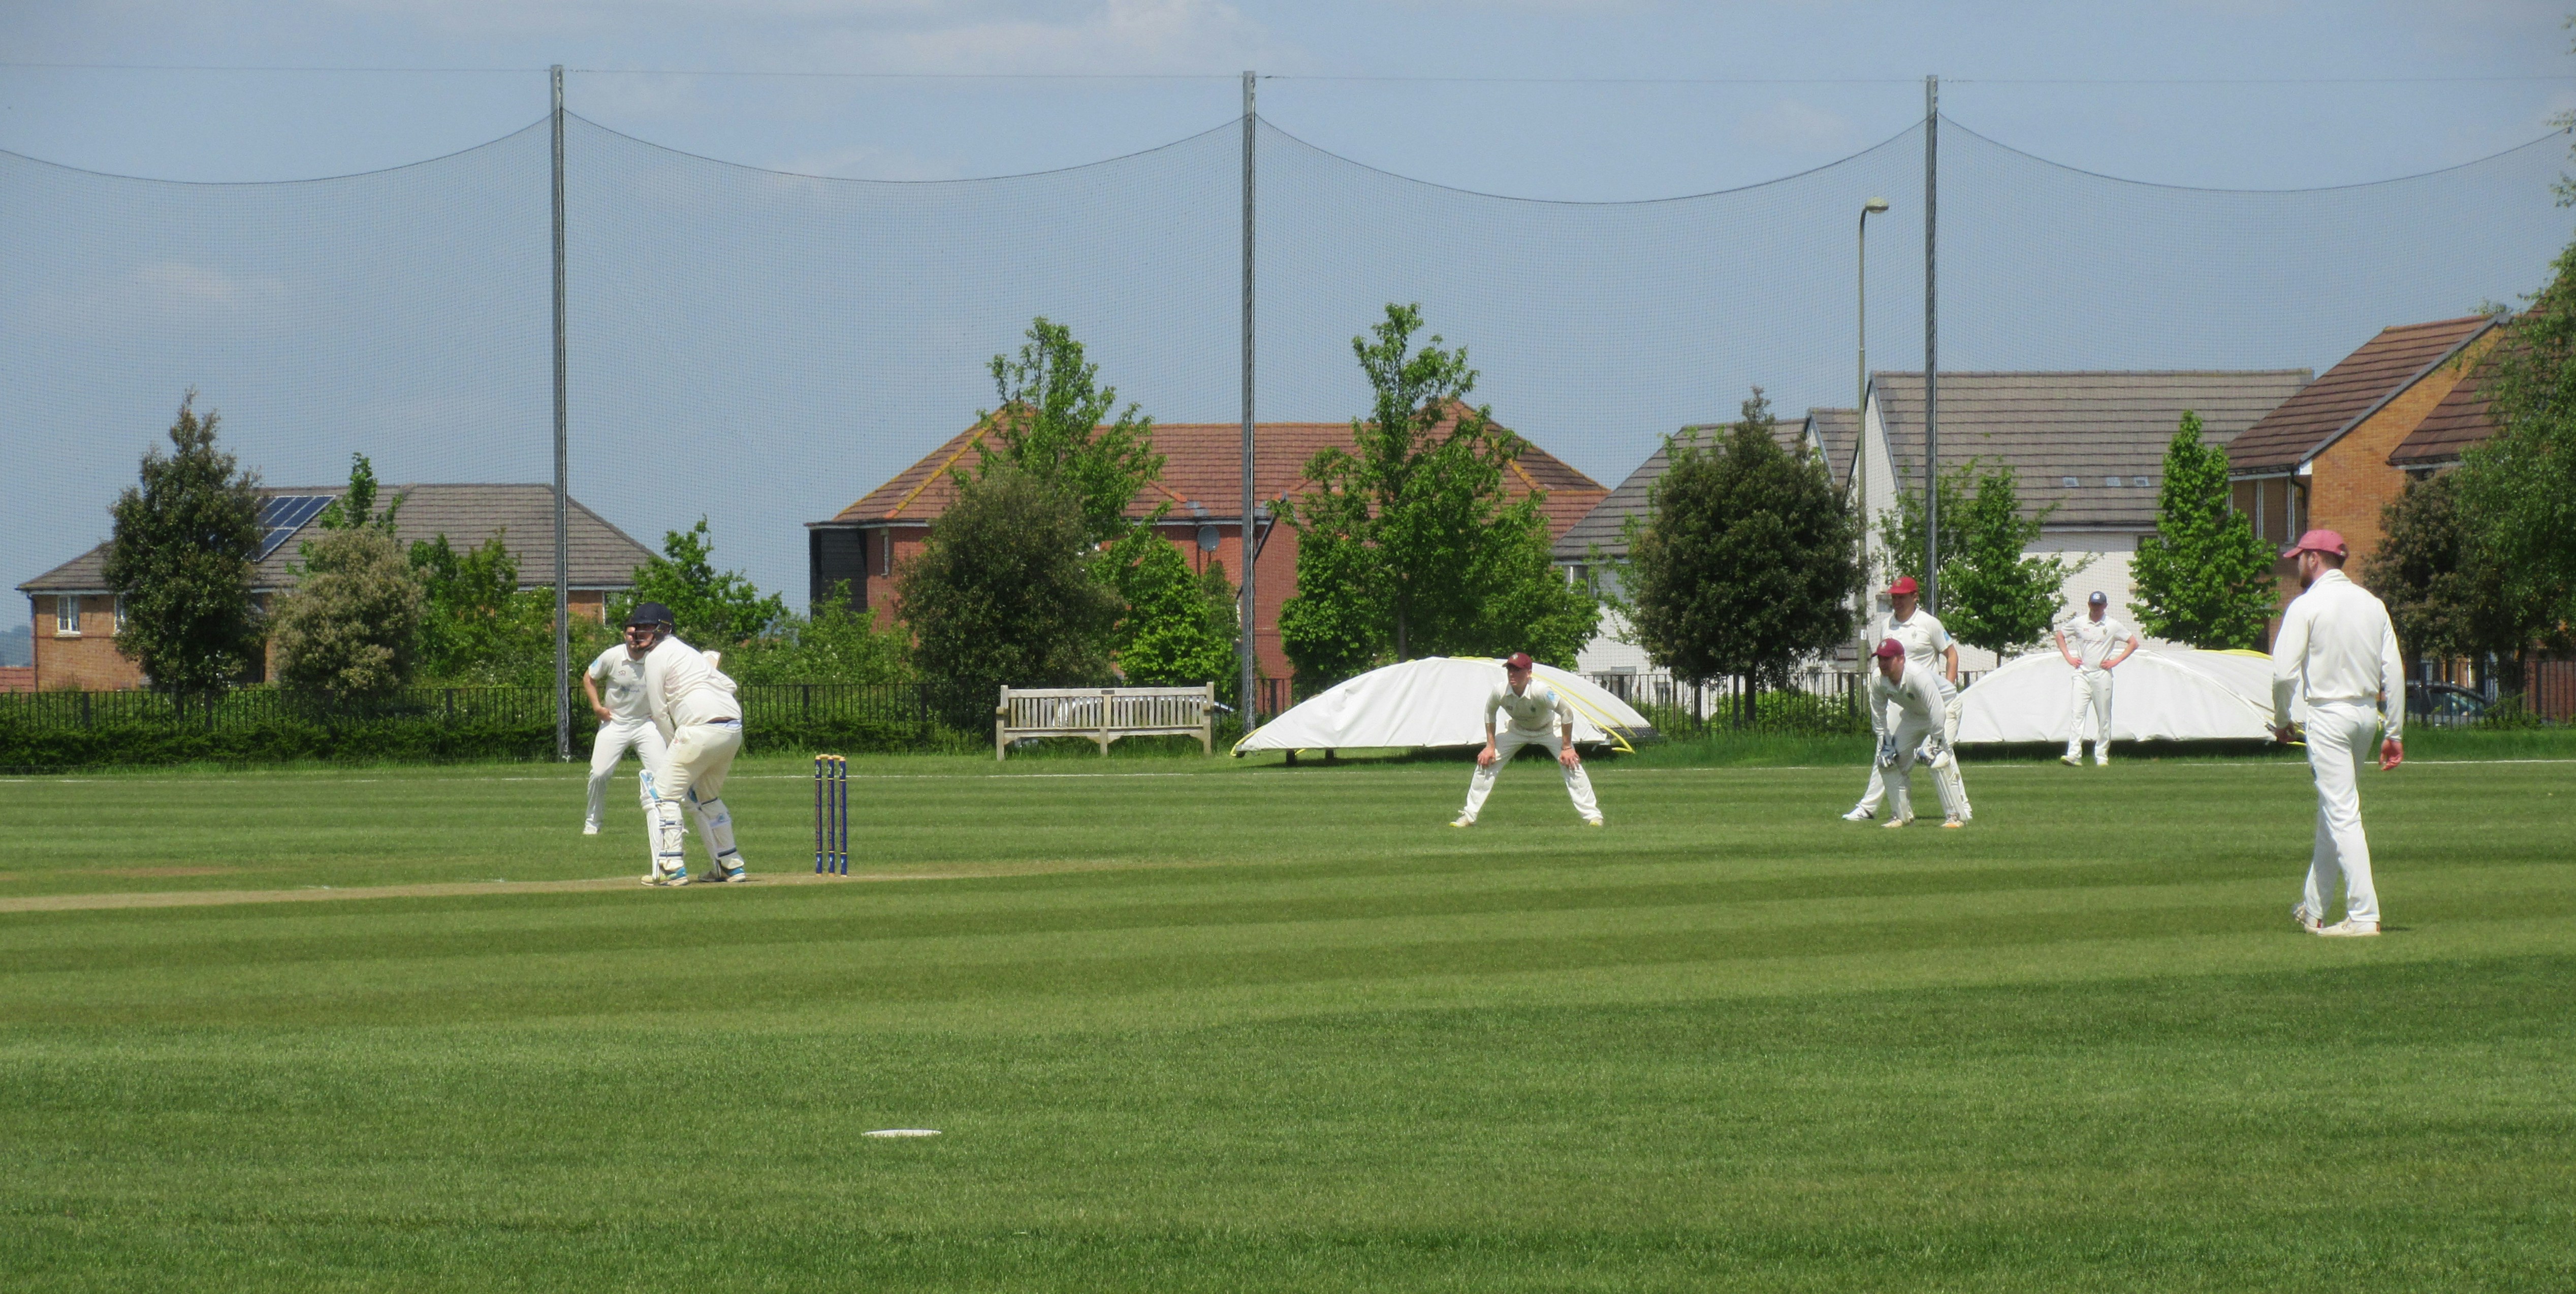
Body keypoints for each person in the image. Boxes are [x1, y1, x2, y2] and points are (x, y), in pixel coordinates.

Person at [2270, 530, 2404, 937]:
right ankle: (2313, 909)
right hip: (2365, 716)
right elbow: (2394, 671)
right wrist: (2394, 730)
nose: (2297, 564)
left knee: (2342, 814)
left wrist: (2280, 720)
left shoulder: (2306, 605)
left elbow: (2281, 673)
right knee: (2333, 813)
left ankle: (2363, 915)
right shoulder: (2372, 604)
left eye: (2300, 557)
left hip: (2328, 714)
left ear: (2313, 559)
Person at [627, 602, 750, 887]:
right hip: (732, 727)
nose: (639, 632)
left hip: (699, 729)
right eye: (638, 627)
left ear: (663, 629)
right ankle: (731, 865)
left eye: (647, 627)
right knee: (708, 798)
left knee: (665, 794)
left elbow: (658, 711)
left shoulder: (656, 657)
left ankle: (673, 866)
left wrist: (674, 745)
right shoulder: (689, 653)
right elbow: (729, 686)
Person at [1843, 576, 1968, 821]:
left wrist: (1946, 690)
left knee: (1942, 753)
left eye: (1902, 597)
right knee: (1887, 751)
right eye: (1894, 597)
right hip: (1901, 701)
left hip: (1930, 698)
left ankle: (1961, 809)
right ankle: (1871, 807)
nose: (1897, 601)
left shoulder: (1928, 623)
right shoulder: (1887, 624)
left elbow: (1951, 656)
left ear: (1914, 597)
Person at [1451, 652, 1603, 828]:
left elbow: (1567, 712)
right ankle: (1469, 816)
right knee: (1486, 762)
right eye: (1510, 669)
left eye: (1517, 670)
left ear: (1529, 673)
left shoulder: (1541, 691)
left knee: (1572, 763)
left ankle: (1593, 816)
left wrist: (1567, 747)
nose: (1512, 674)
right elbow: (1489, 713)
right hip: (1517, 730)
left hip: (1548, 730)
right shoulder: (1500, 690)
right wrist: (1490, 746)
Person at [1866, 637, 1969, 828]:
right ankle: (1901, 815)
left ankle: (1955, 816)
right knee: (1888, 762)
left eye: (1888, 659)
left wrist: (1936, 742)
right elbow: (1878, 717)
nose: (1883, 664)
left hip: (1946, 707)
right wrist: (1885, 744)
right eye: (1880, 659)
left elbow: (1937, 709)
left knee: (1937, 760)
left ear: (1901, 659)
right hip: (1914, 714)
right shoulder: (1878, 680)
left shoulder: (1917, 675)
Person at [581, 623, 667, 835]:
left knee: (663, 775)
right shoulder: (612, 656)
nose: (634, 638)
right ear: (625, 635)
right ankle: (593, 823)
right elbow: (589, 677)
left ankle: (668, 822)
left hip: (646, 724)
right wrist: (597, 707)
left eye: (639, 634)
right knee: (600, 774)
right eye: (630, 634)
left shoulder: (656, 657)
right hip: (615, 723)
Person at [2055, 591, 2141, 766]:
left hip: (2101, 675)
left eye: (2099, 606)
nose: (2096, 609)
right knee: (2077, 714)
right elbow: (2060, 636)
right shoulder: (2079, 622)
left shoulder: (2112, 625)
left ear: (2105, 607)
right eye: (2093, 605)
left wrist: (2115, 661)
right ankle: (2074, 755)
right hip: (2082, 674)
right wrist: (2069, 657)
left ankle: (2101, 756)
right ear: (2089, 605)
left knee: (2104, 717)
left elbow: (2133, 643)